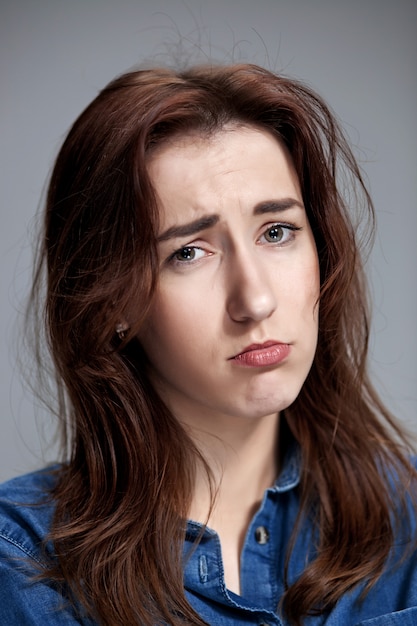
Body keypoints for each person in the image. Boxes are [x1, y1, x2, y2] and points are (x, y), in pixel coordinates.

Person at [0, 63, 416, 626]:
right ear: (113, 301)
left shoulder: (409, 520)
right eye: (189, 252)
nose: (256, 300)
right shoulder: (24, 564)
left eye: (277, 232)